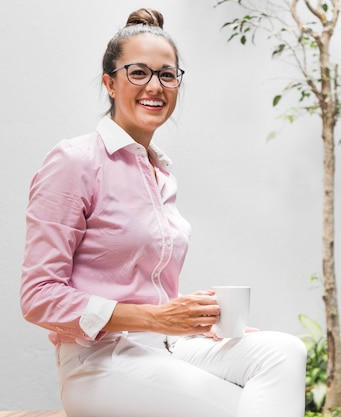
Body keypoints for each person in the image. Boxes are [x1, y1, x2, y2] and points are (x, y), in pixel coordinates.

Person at [20, 8, 306, 417]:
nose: (155, 86)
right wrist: (158, 317)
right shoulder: (74, 161)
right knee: (242, 407)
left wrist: (189, 318)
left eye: (167, 74)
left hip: (168, 348)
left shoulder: (160, 173)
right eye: (138, 72)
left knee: (284, 351)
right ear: (110, 83)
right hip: (101, 361)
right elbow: (38, 297)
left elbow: (144, 287)